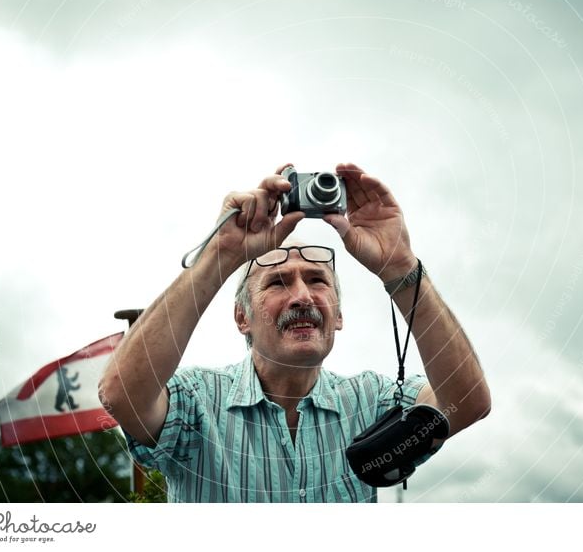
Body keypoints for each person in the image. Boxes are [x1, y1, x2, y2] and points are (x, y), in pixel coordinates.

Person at [99, 163, 491, 502]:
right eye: (277, 282)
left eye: (318, 280)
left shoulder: (373, 400)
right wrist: (221, 255)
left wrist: (400, 267)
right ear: (242, 318)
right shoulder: (196, 402)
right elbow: (121, 395)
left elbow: (467, 401)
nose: (302, 296)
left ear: (338, 316)